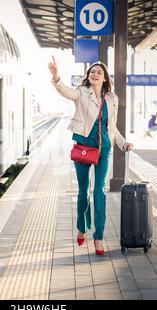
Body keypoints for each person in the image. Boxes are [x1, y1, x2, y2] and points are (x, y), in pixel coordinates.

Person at [48, 56, 133, 256]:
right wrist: (56, 76)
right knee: (83, 192)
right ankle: (81, 226)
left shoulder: (112, 98)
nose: (94, 74)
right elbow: (65, 91)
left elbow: (112, 126)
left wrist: (122, 143)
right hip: (84, 148)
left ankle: (99, 236)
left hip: (104, 150)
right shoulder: (81, 93)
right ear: (88, 76)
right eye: (92, 72)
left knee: (99, 192)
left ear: (105, 78)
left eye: (99, 72)